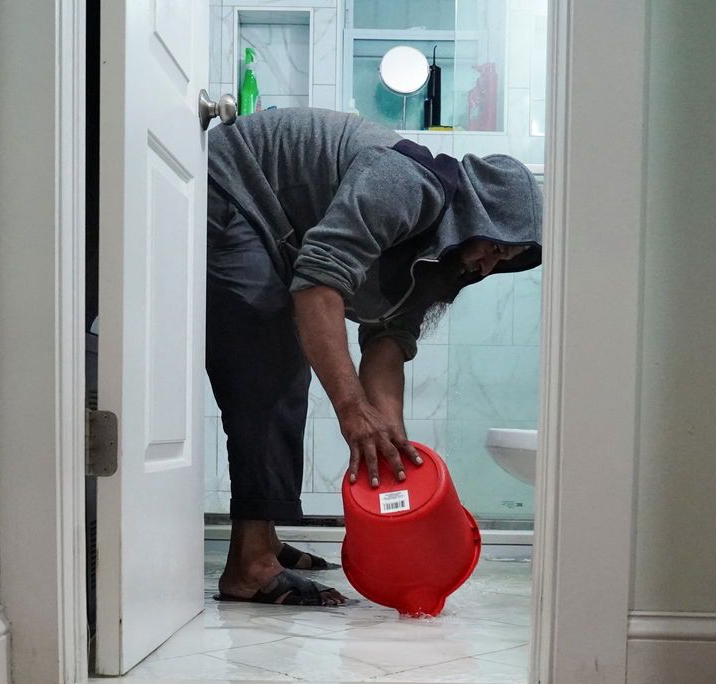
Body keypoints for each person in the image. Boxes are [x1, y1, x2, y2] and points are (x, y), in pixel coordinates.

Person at [206, 106, 542, 607]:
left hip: (277, 232)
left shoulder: (441, 267)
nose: (489, 265)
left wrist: (387, 445)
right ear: (474, 212)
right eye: (493, 245)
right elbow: (318, 282)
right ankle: (250, 565)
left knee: (289, 368)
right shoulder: (405, 182)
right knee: (272, 365)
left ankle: (263, 539)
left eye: (505, 260)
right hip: (233, 181)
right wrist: (352, 412)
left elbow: (388, 343)